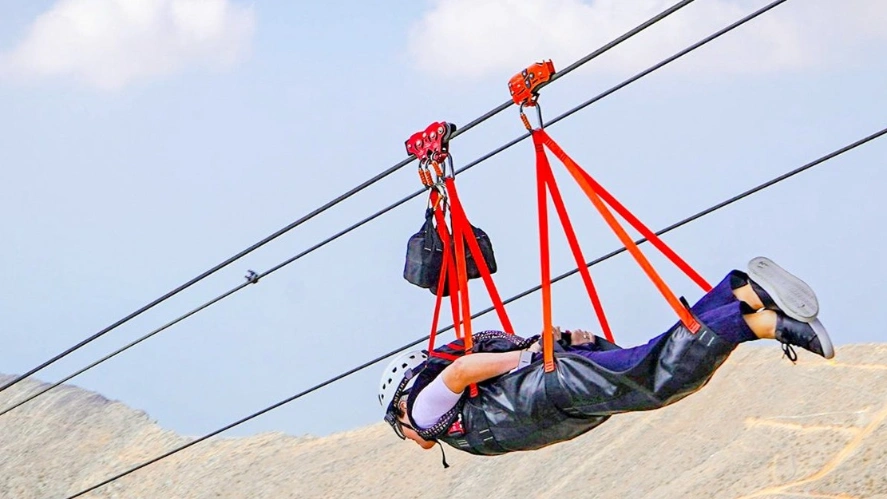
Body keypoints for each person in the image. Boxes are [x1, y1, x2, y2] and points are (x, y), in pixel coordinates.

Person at [378, 257, 834, 456]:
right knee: (653, 359)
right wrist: (544, 349)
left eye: (401, 433)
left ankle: (763, 323)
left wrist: (531, 356)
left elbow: (460, 371)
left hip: (555, 388)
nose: (410, 440)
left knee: (658, 381)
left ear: (400, 408)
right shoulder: (451, 421)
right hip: (558, 389)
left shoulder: (421, 410)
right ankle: (740, 293)